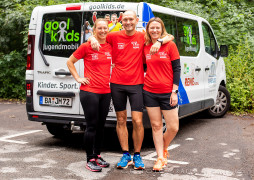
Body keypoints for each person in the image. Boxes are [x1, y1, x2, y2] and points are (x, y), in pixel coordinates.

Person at [89, 10, 174, 170]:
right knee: (121, 120)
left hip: (136, 84)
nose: (128, 22)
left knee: (138, 121)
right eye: (125, 19)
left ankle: (137, 155)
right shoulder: (114, 36)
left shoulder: (143, 36)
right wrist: (92, 37)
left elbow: (169, 36)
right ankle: (125, 154)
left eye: (131, 19)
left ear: (137, 20)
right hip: (117, 84)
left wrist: (160, 42)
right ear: (121, 21)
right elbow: (99, 35)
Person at [67, 19, 112, 172]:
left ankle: (97, 155)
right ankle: (89, 159)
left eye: (105, 28)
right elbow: (70, 62)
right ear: (94, 30)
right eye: (99, 28)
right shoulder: (87, 46)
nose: (103, 31)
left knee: (101, 126)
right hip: (90, 91)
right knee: (91, 126)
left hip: (106, 92)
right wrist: (78, 78)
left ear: (108, 29)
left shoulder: (110, 46)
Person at [143, 17, 181, 171]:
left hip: (167, 92)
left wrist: (174, 91)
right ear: (148, 30)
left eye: (158, 28)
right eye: (152, 28)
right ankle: (160, 157)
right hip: (149, 91)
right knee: (156, 126)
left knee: (173, 127)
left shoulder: (170, 46)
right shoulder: (145, 47)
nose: (155, 30)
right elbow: (144, 67)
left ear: (162, 29)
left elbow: (177, 69)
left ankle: (163, 148)